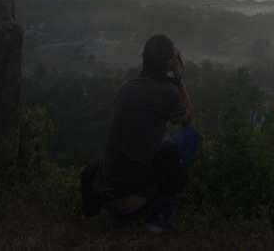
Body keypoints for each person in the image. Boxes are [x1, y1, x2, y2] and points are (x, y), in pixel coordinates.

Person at [81, 34, 199, 233]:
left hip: (108, 191)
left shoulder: (126, 88)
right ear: (170, 62)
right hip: (133, 197)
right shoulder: (167, 92)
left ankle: (108, 213)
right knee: (185, 139)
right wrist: (179, 79)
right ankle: (160, 216)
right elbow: (188, 118)